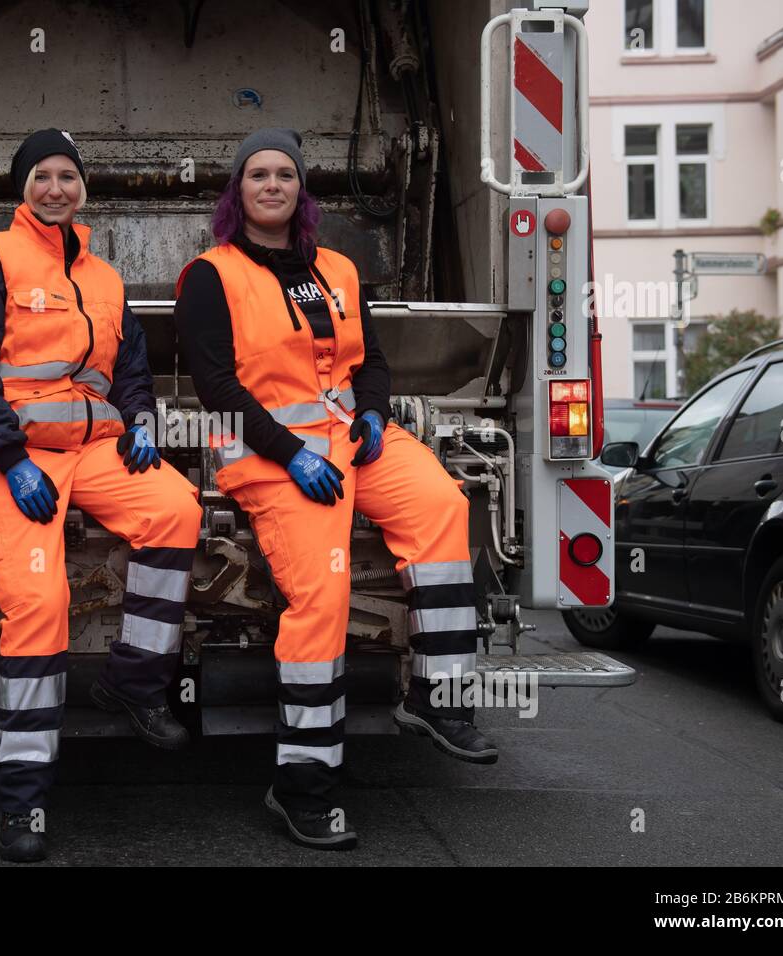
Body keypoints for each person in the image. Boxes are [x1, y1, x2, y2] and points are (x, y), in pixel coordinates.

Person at [174, 127, 496, 851]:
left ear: (301, 189)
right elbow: (216, 387)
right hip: (272, 457)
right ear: (237, 191)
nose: (272, 185)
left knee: (442, 506)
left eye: (285, 174)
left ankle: (438, 698)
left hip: (353, 442)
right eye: (258, 174)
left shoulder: (338, 270)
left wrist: (375, 416)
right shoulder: (210, 276)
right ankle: (303, 785)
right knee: (322, 594)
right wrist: (292, 454)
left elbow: (370, 361)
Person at [0, 129, 203, 863]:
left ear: (82, 188)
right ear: (21, 187)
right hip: (8, 453)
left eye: (67, 176)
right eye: (42, 176)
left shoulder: (106, 278)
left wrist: (142, 421)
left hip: (92, 449)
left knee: (177, 510)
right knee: (39, 603)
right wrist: (7, 457)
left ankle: (135, 682)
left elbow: (131, 373)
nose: (55, 188)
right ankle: (23, 799)